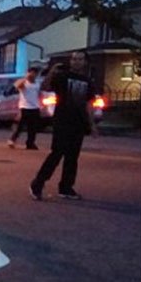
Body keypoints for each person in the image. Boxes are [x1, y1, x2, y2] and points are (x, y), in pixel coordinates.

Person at [30, 51, 98, 201]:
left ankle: (66, 187)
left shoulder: (88, 81)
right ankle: (38, 183)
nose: (76, 62)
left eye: (80, 59)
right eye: (74, 59)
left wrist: (92, 124)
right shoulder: (62, 76)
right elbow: (45, 87)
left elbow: (89, 104)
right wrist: (52, 72)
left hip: (78, 123)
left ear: (85, 62)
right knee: (57, 153)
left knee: (72, 157)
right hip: (62, 121)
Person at [9, 66, 42, 150]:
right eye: (31, 72)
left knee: (33, 128)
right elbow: (16, 86)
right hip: (24, 107)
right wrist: (25, 78)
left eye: (35, 73)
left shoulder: (37, 84)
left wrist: (41, 105)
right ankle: (12, 139)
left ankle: (30, 143)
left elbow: (39, 94)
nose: (33, 75)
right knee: (20, 126)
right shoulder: (24, 82)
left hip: (35, 107)